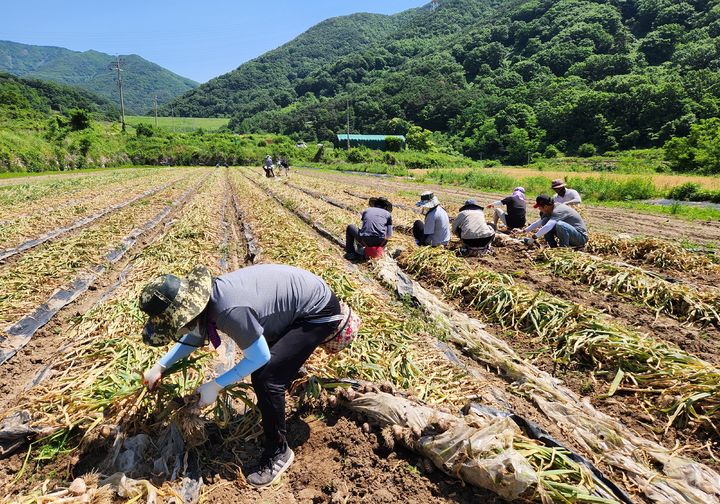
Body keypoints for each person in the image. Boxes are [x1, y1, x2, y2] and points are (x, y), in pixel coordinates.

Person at [139, 264, 347, 488]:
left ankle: (278, 452)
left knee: (266, 377)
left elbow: (259, 357)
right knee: (270, 360)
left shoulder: (229, 311)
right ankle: (288, 366)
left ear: (186, 314)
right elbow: (194, 336)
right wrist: (160, 366)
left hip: (317, 311)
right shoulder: (206, 300)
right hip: (299, 303)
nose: (178, 330)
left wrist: (216, 386)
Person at [514, 195, 588, 249]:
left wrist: (533, 238)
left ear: (545, 206)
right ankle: (553, 247)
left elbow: (548, 227)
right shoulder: (549, 210)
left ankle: (563, 249)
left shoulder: (558, 210)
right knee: (545, 221)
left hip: (580, 238)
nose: (539, 209)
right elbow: (539, 223)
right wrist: (523, 231)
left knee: (560, 225)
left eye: (539, 207)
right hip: (571, 235)